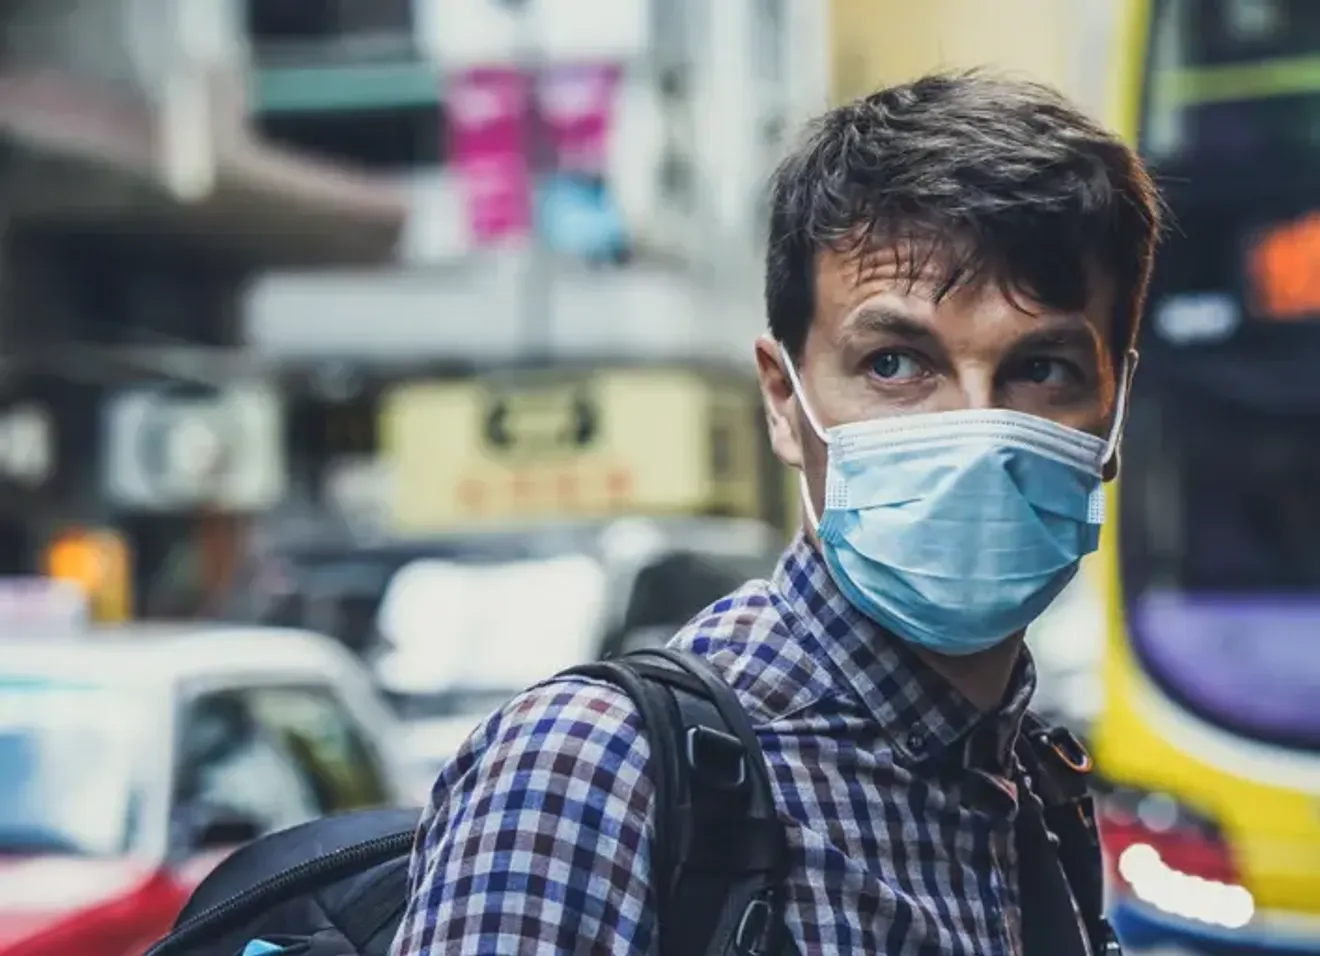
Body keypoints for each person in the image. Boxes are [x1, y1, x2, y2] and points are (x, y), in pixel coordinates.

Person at [391, 69, 1162, 955]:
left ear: (1115, 405)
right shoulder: (596, 768)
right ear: (783, 399)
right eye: (895, 364)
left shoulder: (1035, 792)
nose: (975, 434)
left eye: (1040, 369)